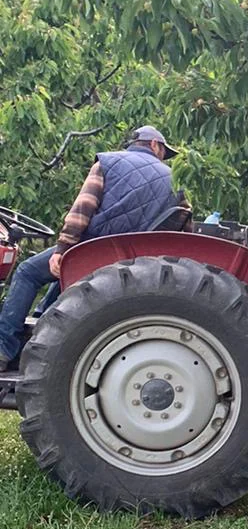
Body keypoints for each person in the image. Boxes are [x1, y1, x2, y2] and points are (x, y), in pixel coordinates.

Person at [0, 125, 180, 371]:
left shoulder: (107, 163)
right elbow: (180, 226)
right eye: (164, 151)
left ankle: (3, 347)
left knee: (28, 272)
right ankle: (39, 334)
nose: (163, 158)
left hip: (94, 249)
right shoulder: (176, 179)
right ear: (155, 145)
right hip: (135, 258)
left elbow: (82, 208)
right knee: (59, 281)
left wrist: (62, 248)